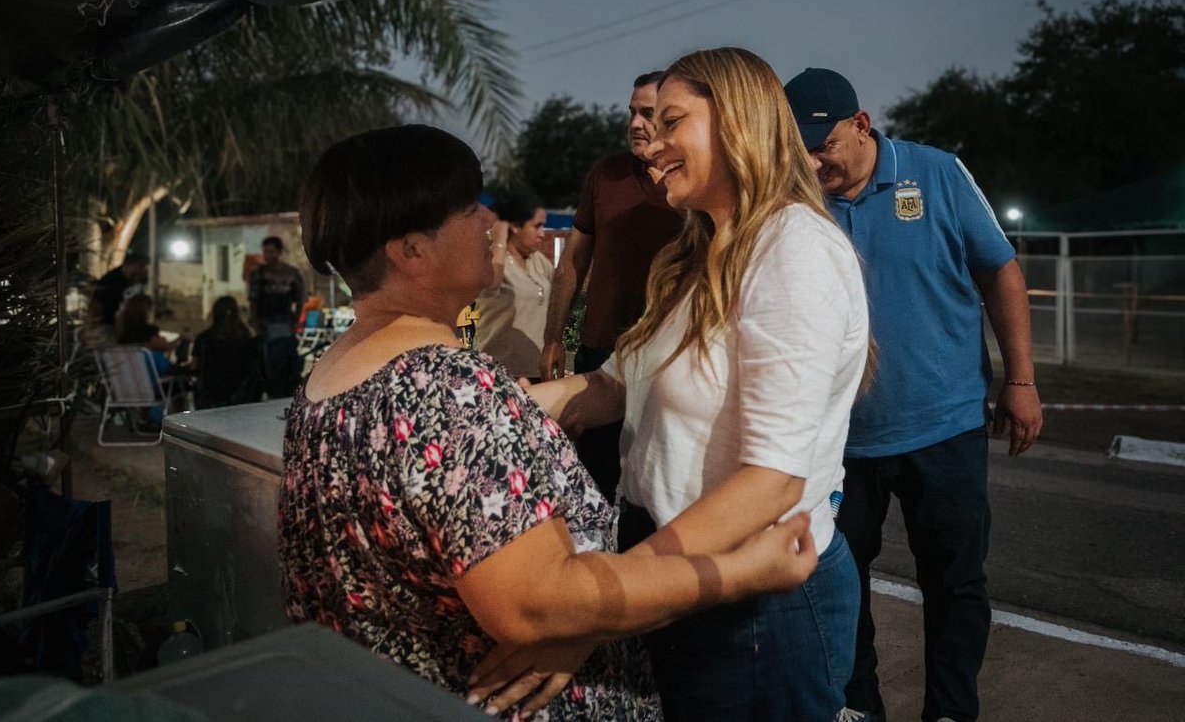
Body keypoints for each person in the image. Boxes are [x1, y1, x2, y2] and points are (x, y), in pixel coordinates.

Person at [278, 124, 819, 721]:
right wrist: (743, 571)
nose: (489, 221)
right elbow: (539, 604)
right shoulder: (444, 389)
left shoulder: (334, 372)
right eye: (466, 209)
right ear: (409, 251)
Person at [528, 49, 870, 720]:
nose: (650, 145)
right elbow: (609, 384)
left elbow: (773, 479)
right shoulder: (696, 250)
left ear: (738, 121)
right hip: (681, 572)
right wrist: (482, 408)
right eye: (649, 124)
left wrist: (613, 598)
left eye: (671, 121)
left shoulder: (794, 251)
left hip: (754, 606)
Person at [783, 67, 1044, 722]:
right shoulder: (792, 198)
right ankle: (856, 705)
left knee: (956, 582)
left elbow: (1001, 271)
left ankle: (951, 709)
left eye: (824, 144)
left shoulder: (937, 173)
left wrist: (1020, 380)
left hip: (945, 426)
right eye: (799, 148)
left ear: (862, 124)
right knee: (841, 581)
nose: (813, 162)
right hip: (842, 438)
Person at [539, 72, 685, 501]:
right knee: (590, 483)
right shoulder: (606, 176)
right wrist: (554, 339)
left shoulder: (693, 184)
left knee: (658, 485)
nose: (636, 123)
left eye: (649, 114)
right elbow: (573, 261)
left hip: (666, 357)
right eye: (632, 113)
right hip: (601, 350)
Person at [475, 190, 554, 380]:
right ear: (515, 226)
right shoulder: (491, 261)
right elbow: (491, 284)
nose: (543, 234)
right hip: (499, 373)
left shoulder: (539, 261)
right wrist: (499, 238)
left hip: (539, 371)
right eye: (537, 226)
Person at [248, 235, 305, 399]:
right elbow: (253, 301)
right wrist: (256, 325)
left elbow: (300, 300)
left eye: (271, 251)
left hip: (285, 325)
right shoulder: (258, 274)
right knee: (267, 367)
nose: (267, 255)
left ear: (279, 252)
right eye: (265, 252)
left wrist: (295, 322)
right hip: (265, 326)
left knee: (286, 366)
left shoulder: (292, 274)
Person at [190, 296, 259, 409]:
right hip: (240, 398)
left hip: (210, 397)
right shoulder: (246, 339)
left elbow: (194, 366)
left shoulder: (203, 338)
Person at [85, 252, 148, 344]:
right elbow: (98, 305)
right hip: (108, 325)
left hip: (124, 326)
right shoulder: (111, 281)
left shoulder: (133, 279)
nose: (142, 270)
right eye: (140, 266)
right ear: (128, 265)